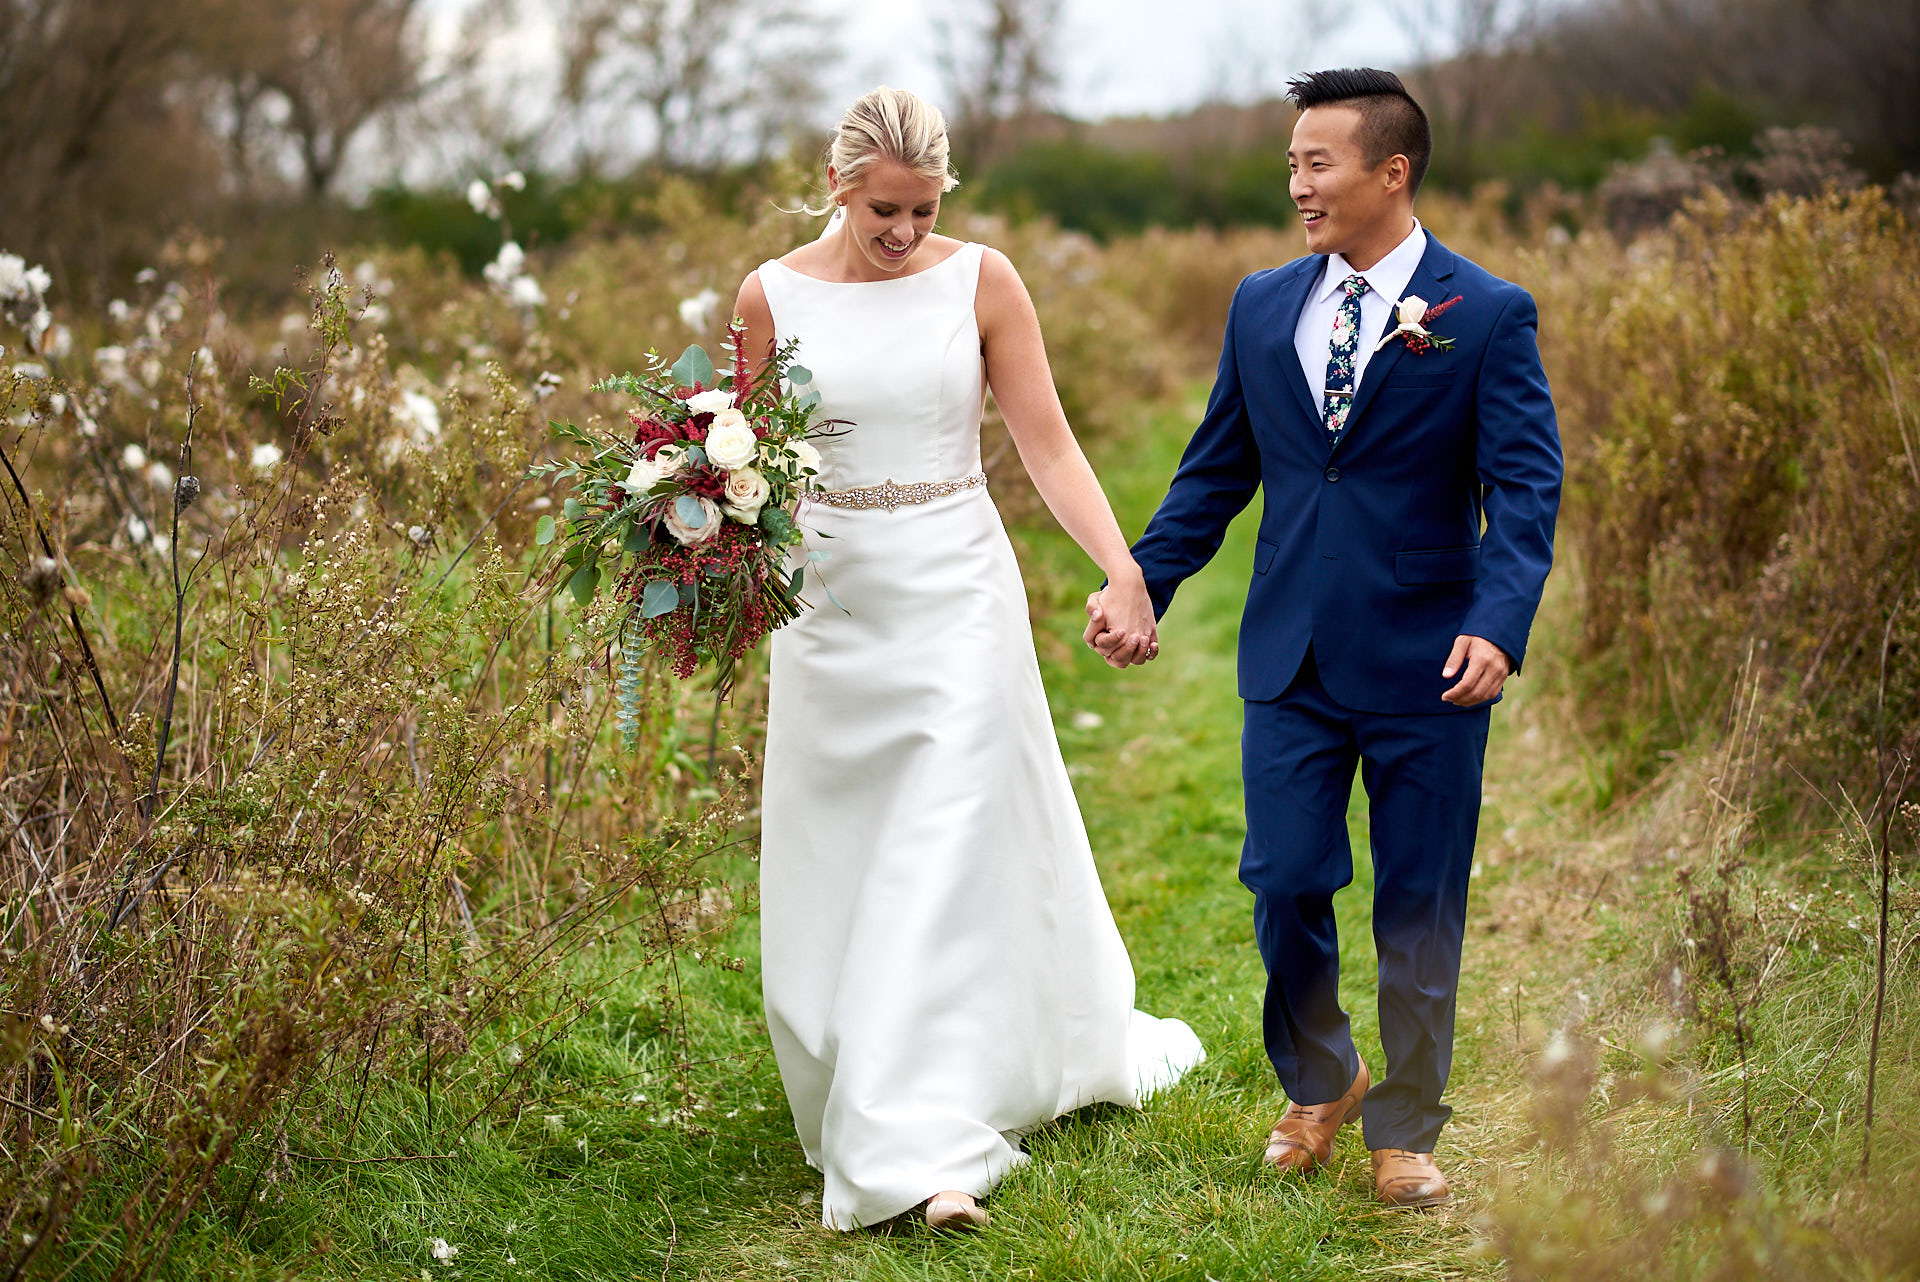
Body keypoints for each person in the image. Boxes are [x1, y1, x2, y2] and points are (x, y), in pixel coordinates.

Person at [732, 85, 1204, 1233]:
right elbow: (745, 465)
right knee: (855, 850)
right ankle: (899, 1075)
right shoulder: (767, 295)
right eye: (883, 210)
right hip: (832, 609)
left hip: (956, 587)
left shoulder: (982, 278)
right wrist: (702, 544)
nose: (902, 233)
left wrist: (1123, 566)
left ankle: (920, 1150)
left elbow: (1043, 439)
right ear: (838, 186)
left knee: (938, 846)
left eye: (922, 208)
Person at [1088, 67, 1561, 1208]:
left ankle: (1405, 1125)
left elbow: (1525, 488)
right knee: (1284, 876)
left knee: (1418, 898)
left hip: (1430, 659)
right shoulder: (1262, 304)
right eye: (1292, 162)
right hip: (1290, 651)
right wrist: (1142, 578)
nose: (1297, 183)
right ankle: (1321, 1074)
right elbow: (1217, 471)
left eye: (1318, 162)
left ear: (1391, 172)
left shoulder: (1486, 313)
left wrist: (1499, 626)